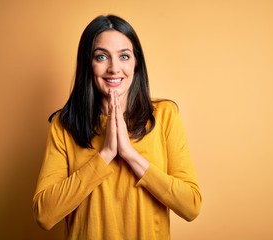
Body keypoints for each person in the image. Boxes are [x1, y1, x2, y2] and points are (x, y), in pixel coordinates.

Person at [33, 14, 202, 239]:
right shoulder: (63, 126)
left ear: (136, 63)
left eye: (124, 56)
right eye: (102, 56)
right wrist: (105, 155)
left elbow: (191, 206)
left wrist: (130, 155)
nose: (114, 68)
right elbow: (44, 215)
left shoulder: (164, 116)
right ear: (88, 64)